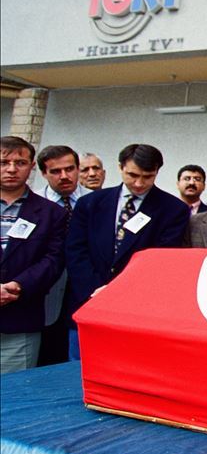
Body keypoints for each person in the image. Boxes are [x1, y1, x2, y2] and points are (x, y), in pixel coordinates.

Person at [65, 144, 190, 359]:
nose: (139, 183)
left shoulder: (173, 209)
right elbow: (76, 251)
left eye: (147, 177)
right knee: (80, 367)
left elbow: (160, 260)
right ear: (120, 167)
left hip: (137, 307)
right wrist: (94, 290)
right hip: (88, 300)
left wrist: (119, 292)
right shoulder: (90, 203)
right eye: (132, 175)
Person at [1, 137, 68, 374]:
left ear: (31, 167)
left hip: (20, 320)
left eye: (20, 163)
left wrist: (18, 286)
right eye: (4, 162)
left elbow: (54, 260)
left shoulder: (52, 213)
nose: (12, 169)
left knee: (15, 392)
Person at [35, 145, 90, 365]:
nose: (64, 176)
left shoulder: (96, 201)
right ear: (43, 173)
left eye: (70, 169)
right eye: (56, 171)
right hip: (43, 293)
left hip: (84, 290)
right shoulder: (33, 204)